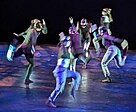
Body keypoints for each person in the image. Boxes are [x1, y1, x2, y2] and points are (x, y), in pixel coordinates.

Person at [6, 19, 48, 85]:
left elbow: (45, 32)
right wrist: (33, 49)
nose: (40, 30)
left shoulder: (33, 29)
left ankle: (27, 79)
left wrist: (19, 35)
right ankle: (27, 79)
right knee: (31, 64)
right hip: (27, 49)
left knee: (13, 57)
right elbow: (31, 40)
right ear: (36, 26)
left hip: (23, 47)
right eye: (39, 28)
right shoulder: (33, 31)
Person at [46, 32, 81, 108]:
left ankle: (72, 90)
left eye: (69, 41)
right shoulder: (63, 48)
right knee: (59, 88)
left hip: (64, 70)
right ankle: (50, 101)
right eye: (67, 41)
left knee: (77, 75)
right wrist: (62, 38)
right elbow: (64, 50)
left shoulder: (67, 50)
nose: (69, 42)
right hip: (60, 71)